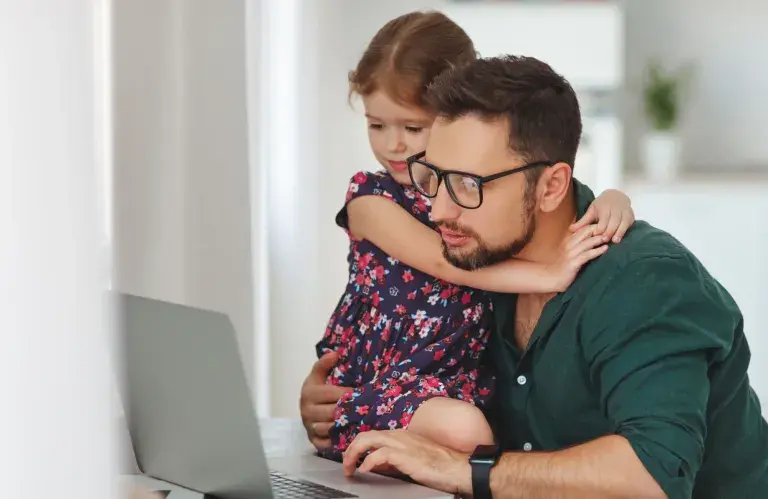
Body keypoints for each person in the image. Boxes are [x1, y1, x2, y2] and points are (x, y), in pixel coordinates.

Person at [303, 54, 768, 498]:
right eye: (434, 177)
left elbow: (653, 475)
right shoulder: (477, 261)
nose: (439, 210)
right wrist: (333, 401)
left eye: (468, 185)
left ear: (550, 187)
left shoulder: (646, 283)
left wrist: (463, 471)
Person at [312, 11, 637, 464]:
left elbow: (547, 194)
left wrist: (614, 199)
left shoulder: (489, 197)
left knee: (473, 432)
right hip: (384, 378)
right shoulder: (370, 198)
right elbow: (443, 262)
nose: (394, 146)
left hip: (451, 379)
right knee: (467, 432)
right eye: (376, 125)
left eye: (412, 127)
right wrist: (551, 274)